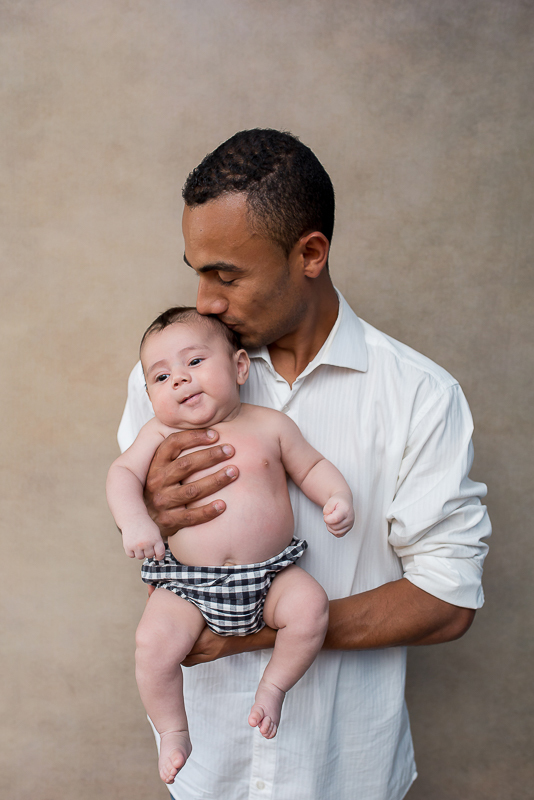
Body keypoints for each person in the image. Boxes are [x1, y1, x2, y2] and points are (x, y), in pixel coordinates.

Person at [117, 129, 491, 800]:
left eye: (225, 274)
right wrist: (146, 509)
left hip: (343, 770)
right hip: (207, 774)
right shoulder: (170, 383)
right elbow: (141, 536)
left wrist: (251, 634)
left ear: (309, 253)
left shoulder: (418, 395)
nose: (203, 301)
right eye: (196, 270)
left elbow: (448, 600)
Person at [107, 306, 353, 784]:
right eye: (161, 376)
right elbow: (122, 475)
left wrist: (336, 496)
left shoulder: (270, 425)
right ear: (150, 394)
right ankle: (174, 729)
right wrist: (136, 520)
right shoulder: (159, 434)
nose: (179, 380)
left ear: (240, 367)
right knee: (151, 644)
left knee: (310, 607)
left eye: (194, 363)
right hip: (190, 586)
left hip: (269, 577)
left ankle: (274, 688)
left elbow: (312, 466)